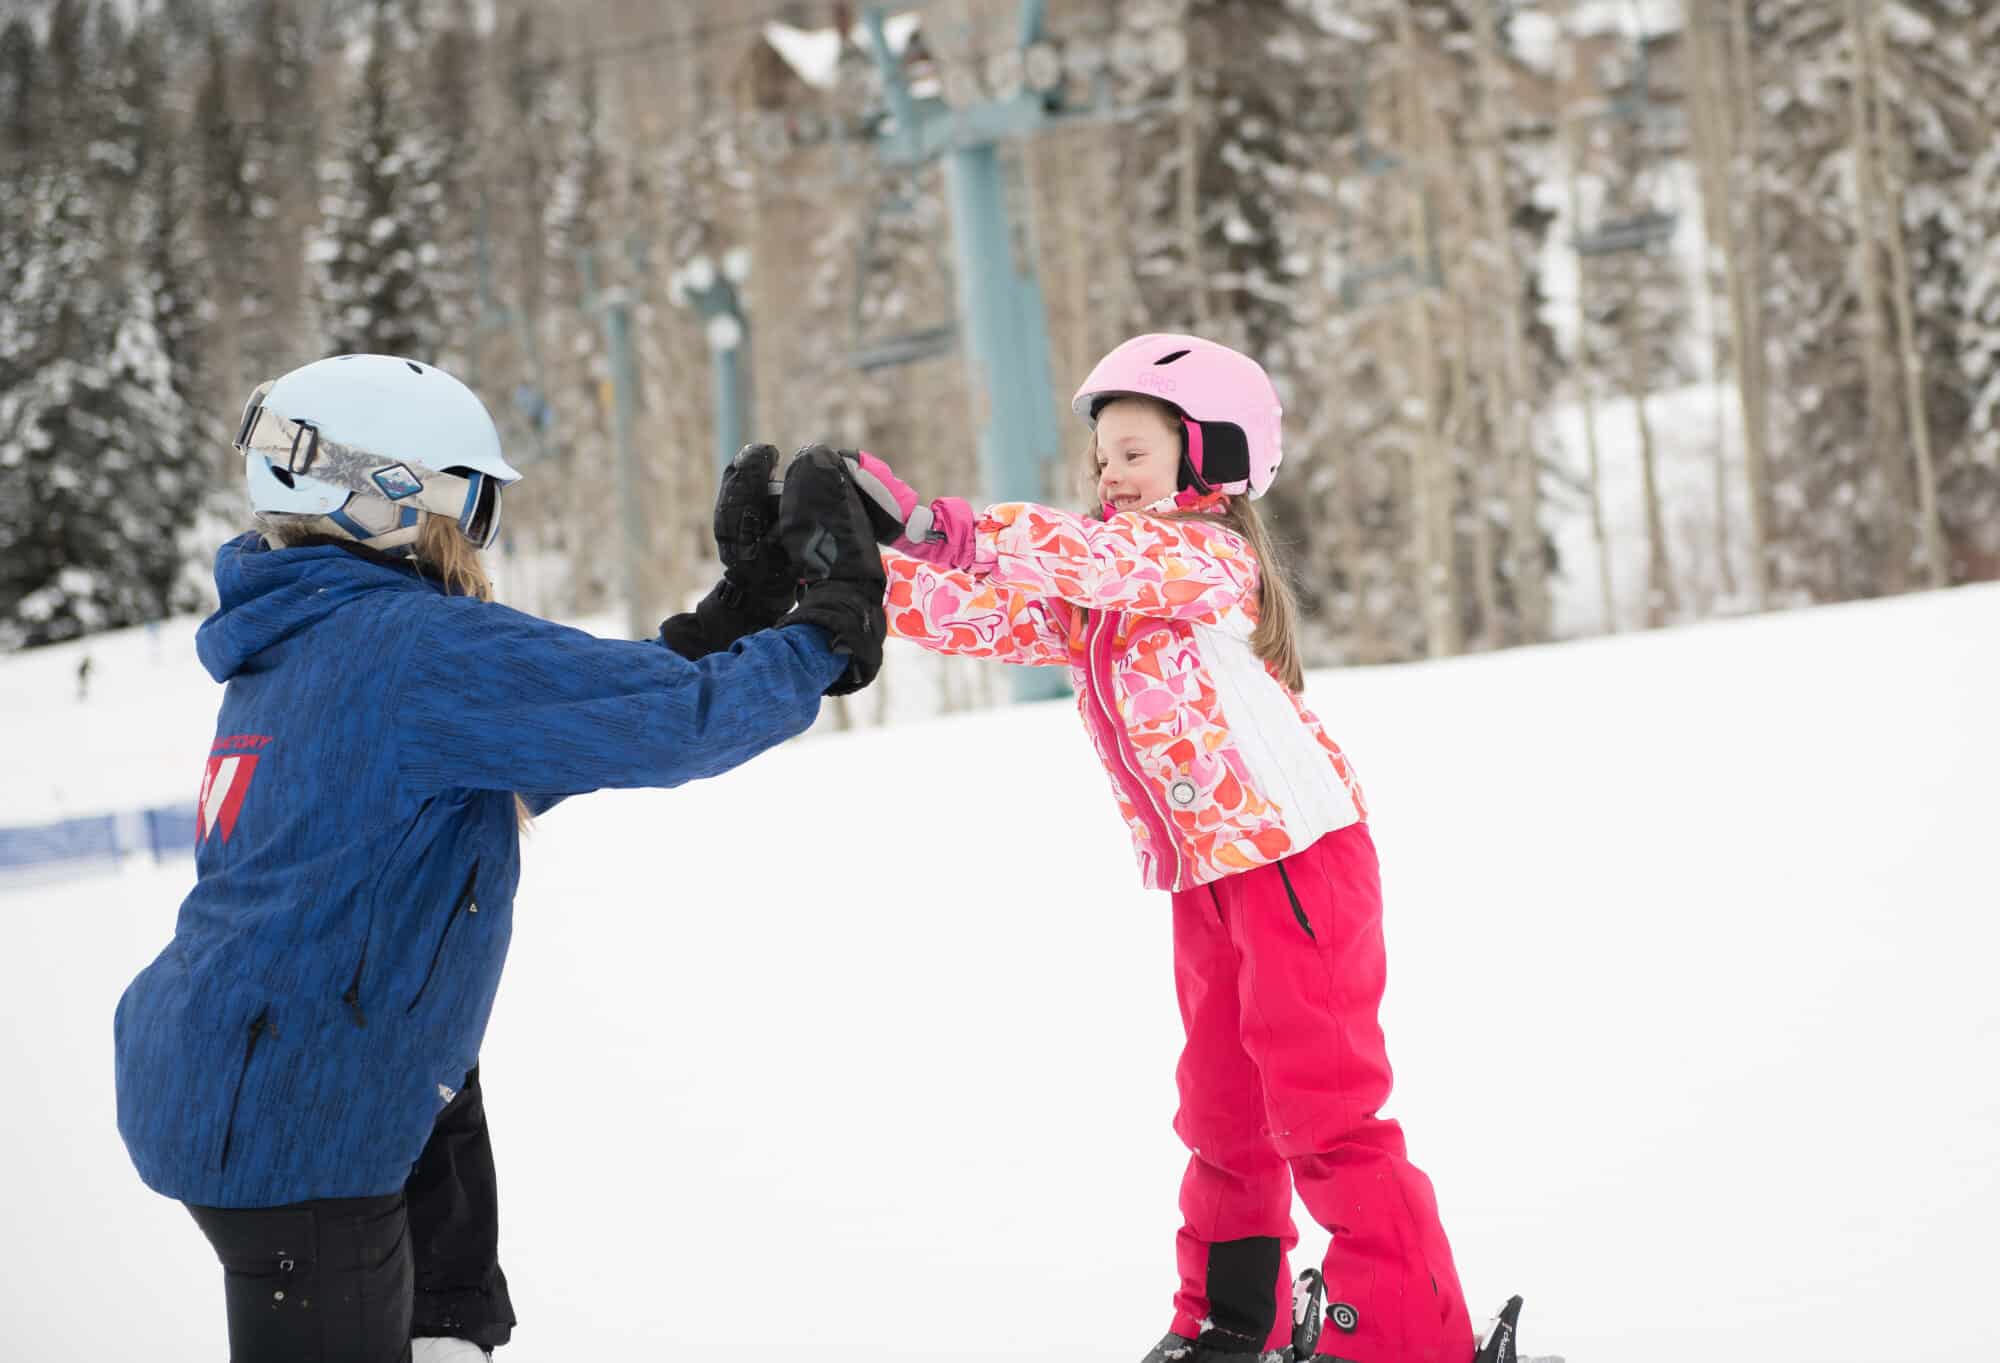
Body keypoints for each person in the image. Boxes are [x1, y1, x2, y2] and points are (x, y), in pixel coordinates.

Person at [112, 354, 886, 1363]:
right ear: (387, 496)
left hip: (320, 1062)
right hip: (300, 1114)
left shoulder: (307, 633)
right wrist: (827, 628)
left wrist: (743, 608)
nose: (478, 535)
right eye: (469, 500)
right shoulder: (406, 645)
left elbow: (571, 721)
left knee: (450, 1322)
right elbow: (670, 723)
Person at [833, 333, 1489, 1363]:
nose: (1109, 476)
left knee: (1323, 1110)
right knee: (1222, 1114)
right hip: (1205, 878)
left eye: (1132, 453)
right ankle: (1230, 1322)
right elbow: (986, 614)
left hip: (1293, 860)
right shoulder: (1107, 589)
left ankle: (1406, 1338)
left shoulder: (1200, 558)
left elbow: (1095, 555)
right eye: (1101, 460)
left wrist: (937, 522)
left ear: (1208, 458)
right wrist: (850, 572)